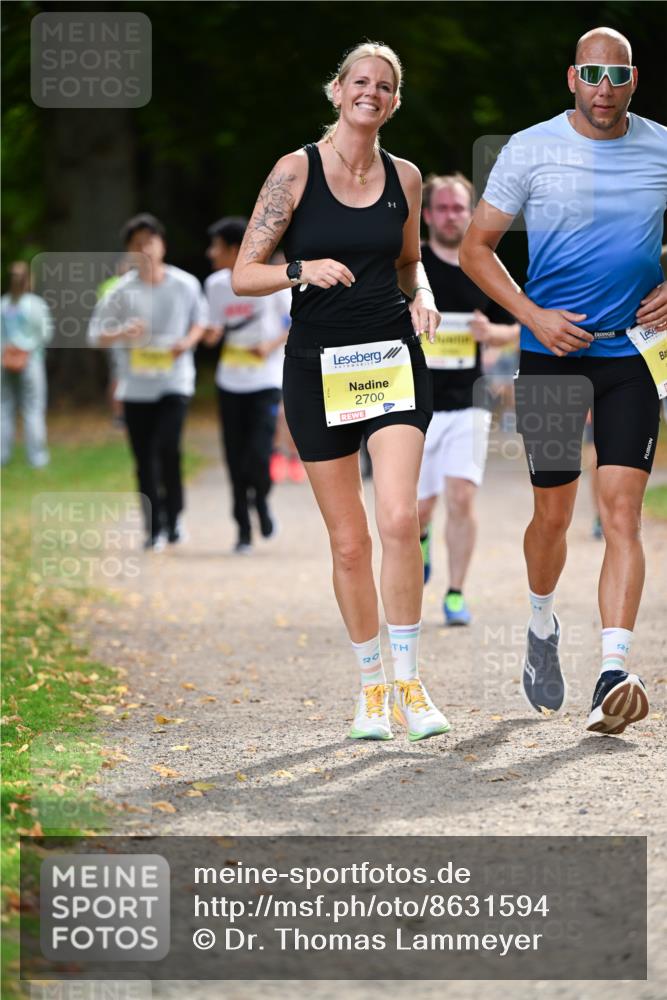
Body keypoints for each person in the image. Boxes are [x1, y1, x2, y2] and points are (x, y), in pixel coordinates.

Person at [232, 41, 450, 742]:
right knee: (351, 543)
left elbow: (412, 263)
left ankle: (411, 684)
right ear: (337, 91)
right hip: (315, 367)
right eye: (360, 81)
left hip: (390, 358)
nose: (371, 92)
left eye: (384, 85)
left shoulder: (406, 177)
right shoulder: (295, 171)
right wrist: (301, 267)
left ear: (393, 101)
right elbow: (244, 272)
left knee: (397, 520)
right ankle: (370, 691)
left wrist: (422, 298)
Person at [460, 27, 667, 735]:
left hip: (632, 357)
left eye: (617, 75)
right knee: (552, 512)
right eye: (591, 74)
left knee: (620, 514)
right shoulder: (529, 147)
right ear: (570, 79)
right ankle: (541, 625)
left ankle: (611, 670)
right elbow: (474, 247)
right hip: (550, 354)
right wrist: (530, 315)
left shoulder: (661, 146)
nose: (603, 88)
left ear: (632, 80)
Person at [417, 173, 519, 625]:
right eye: (442, 208)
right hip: (413, 406)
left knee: (460, 498)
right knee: (418, 508)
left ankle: (456, 593)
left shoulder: (484, 263)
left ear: (471, 212)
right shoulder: (409, 264)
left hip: (469, 402)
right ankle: (419, 540)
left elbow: (524, 323)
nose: (451, 215)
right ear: (427, 215)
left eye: (459, 208)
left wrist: (491, 332)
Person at [88, 213, 208, 549]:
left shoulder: (184, 284)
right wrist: (122, 332)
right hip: (136, 386)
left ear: (162, 245)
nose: (145, 248)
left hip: (175, 381)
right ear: (129, 251)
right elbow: (95, 335)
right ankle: (152, 527)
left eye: (150, 241)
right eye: (137, 244)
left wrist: (186, 342)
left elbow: (201, 320)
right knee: (144, 458)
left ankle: (175, 517)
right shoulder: (120, 291)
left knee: (168, 448)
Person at [204, 217, 289, 553]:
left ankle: (262, 502)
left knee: (258, 454)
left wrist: (269, 346)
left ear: (235, 249)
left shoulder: (270, 279)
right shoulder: (215, 286)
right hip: (229, 381)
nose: (211, 253)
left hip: (266, 381)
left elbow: (293, 324)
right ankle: (242, 528)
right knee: (234, 457)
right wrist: (211, 335)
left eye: (216, 247)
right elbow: (214, 327)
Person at [1, 261, 53, 468]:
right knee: (33, 409)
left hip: (4, 361)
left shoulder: (3, 304)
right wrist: (26, 348)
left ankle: (2, 457)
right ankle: (38, 460)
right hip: (31, 361)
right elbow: (46, 334)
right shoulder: (36, 304)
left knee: (4, 409)